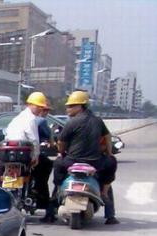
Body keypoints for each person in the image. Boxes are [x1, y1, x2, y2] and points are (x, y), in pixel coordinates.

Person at [52, 90, 118, 224]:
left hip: (72, 161)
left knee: (58, 164)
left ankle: (56, 194)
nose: (68, 109)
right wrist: (109, 152)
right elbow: (107, 136)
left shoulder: (72, 122)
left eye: (71, 106)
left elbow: (61, 142)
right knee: (111, 163)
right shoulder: (98, 121)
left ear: (80, 106)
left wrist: (61, 152)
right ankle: (107, 204)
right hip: (96, 163)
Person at [34, 101, 57, 222]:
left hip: (13, 155)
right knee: (43, 177)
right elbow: (49, 136)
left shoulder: (21, 119)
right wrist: (52, 142)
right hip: (33, 156)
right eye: (45, 110)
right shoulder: (41, 121)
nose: (46, 113)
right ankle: (48, 210)